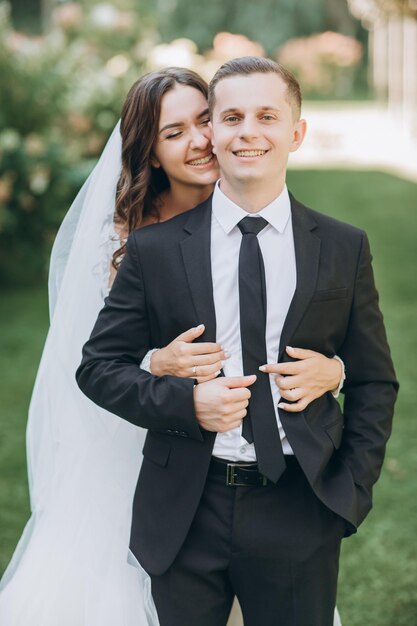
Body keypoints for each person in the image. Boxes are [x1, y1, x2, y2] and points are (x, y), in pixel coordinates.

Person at [0, 67, 344, 626]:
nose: (203, 140)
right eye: (174, 132)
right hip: (148, 450)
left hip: (266, 475)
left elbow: (309, 317)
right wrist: (154, 362)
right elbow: (91, 359)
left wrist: (335, 368)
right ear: (151, 153)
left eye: (206, 119)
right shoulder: (130, 241)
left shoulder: (258, 204)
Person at [76, 57, 398, 626]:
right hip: (187, 510)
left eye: (267, 116)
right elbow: (98, 366)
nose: (248, 131)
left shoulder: (342, 247)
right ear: (214, 135)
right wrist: (187, 404)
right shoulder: (157, 250)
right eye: (230, 118)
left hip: (300, 502)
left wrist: (350, 490)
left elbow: (375, 379)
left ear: (296, 134)